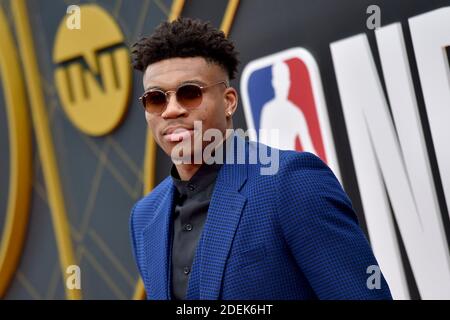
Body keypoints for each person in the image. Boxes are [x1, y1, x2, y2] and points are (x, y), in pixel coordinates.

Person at [129, 17, 392, 300]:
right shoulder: (145, 217)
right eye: (156, 99)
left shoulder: (291, 182)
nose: (171, 110)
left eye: (190, 93)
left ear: (229, 101)